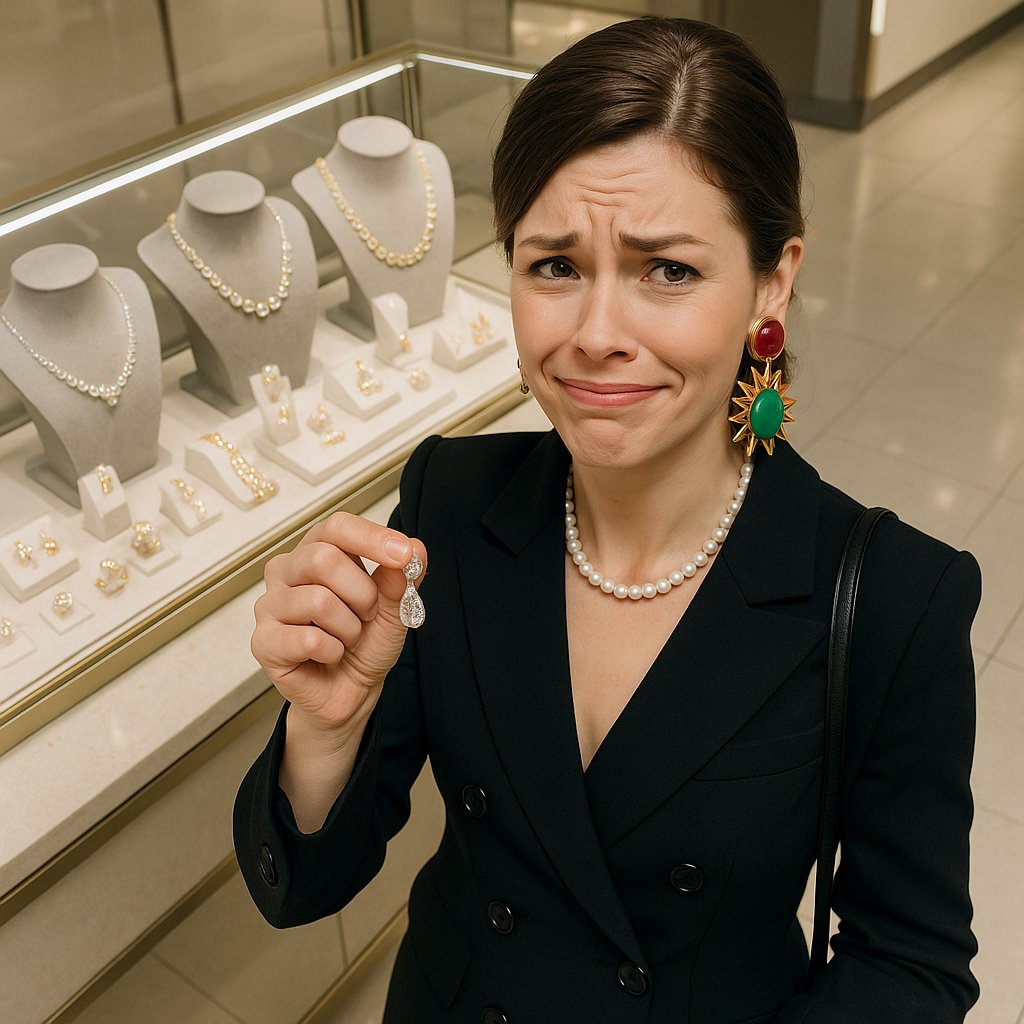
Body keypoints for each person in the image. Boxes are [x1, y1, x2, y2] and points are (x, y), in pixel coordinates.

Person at [234, 17, 980, 1023]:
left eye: (665, 269)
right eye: (554, 265)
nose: (595, 335)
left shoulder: (891, 594)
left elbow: (908, 962)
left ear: (772, 280)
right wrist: (326, 731)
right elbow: (307, 884)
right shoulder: (450, 502)